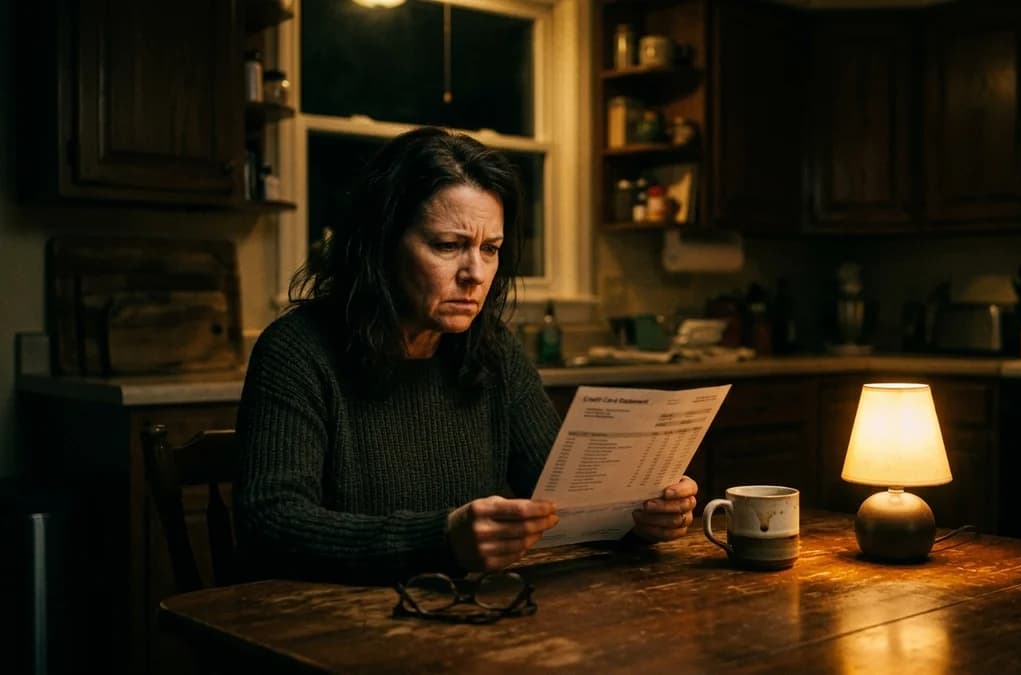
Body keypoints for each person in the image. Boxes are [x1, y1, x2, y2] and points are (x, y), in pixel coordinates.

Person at [235, 127, 697, 583]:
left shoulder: (493, 349)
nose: (475, 273)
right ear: (381, 245)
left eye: (490, 249)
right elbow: (271, 524)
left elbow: (563, 498)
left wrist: (639, 518)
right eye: (448, 245)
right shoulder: (298, 350)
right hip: (336, 626)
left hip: (474, 615)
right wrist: (440, 538)